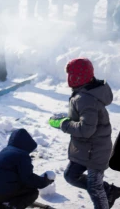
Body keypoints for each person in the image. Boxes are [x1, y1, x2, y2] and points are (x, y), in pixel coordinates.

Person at [49, 58, 120, 209]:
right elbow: (85, 118)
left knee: (94, 187)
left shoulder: (86, 98)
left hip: (96, 150)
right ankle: (110, 191)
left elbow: (86, 129)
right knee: (70, 176)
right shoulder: (86, 91)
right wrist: (67, 118)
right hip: (85, 149)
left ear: (78, 77)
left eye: (71, 74)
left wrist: (64, 124)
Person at [0, 128, 53, 209]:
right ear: (27, 144)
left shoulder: (3, 152)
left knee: (0, 191)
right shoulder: (22, 155)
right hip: (4, 189)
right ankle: (13, 207)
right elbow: (28, 178)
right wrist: (44, 182)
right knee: (32, 192)